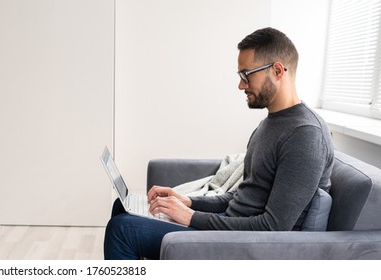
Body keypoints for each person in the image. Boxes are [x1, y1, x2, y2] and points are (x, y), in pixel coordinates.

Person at [104, 27, 334, 260]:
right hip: (230, 225)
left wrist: (191, 217)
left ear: (277, 70)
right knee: (121, 208)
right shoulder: (269, 124)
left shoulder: (305, 135)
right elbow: (243, 197)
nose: (241, 85)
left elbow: (273, 227)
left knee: (122, 231)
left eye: (247, 74)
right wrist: (188, 201)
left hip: (244, 244)